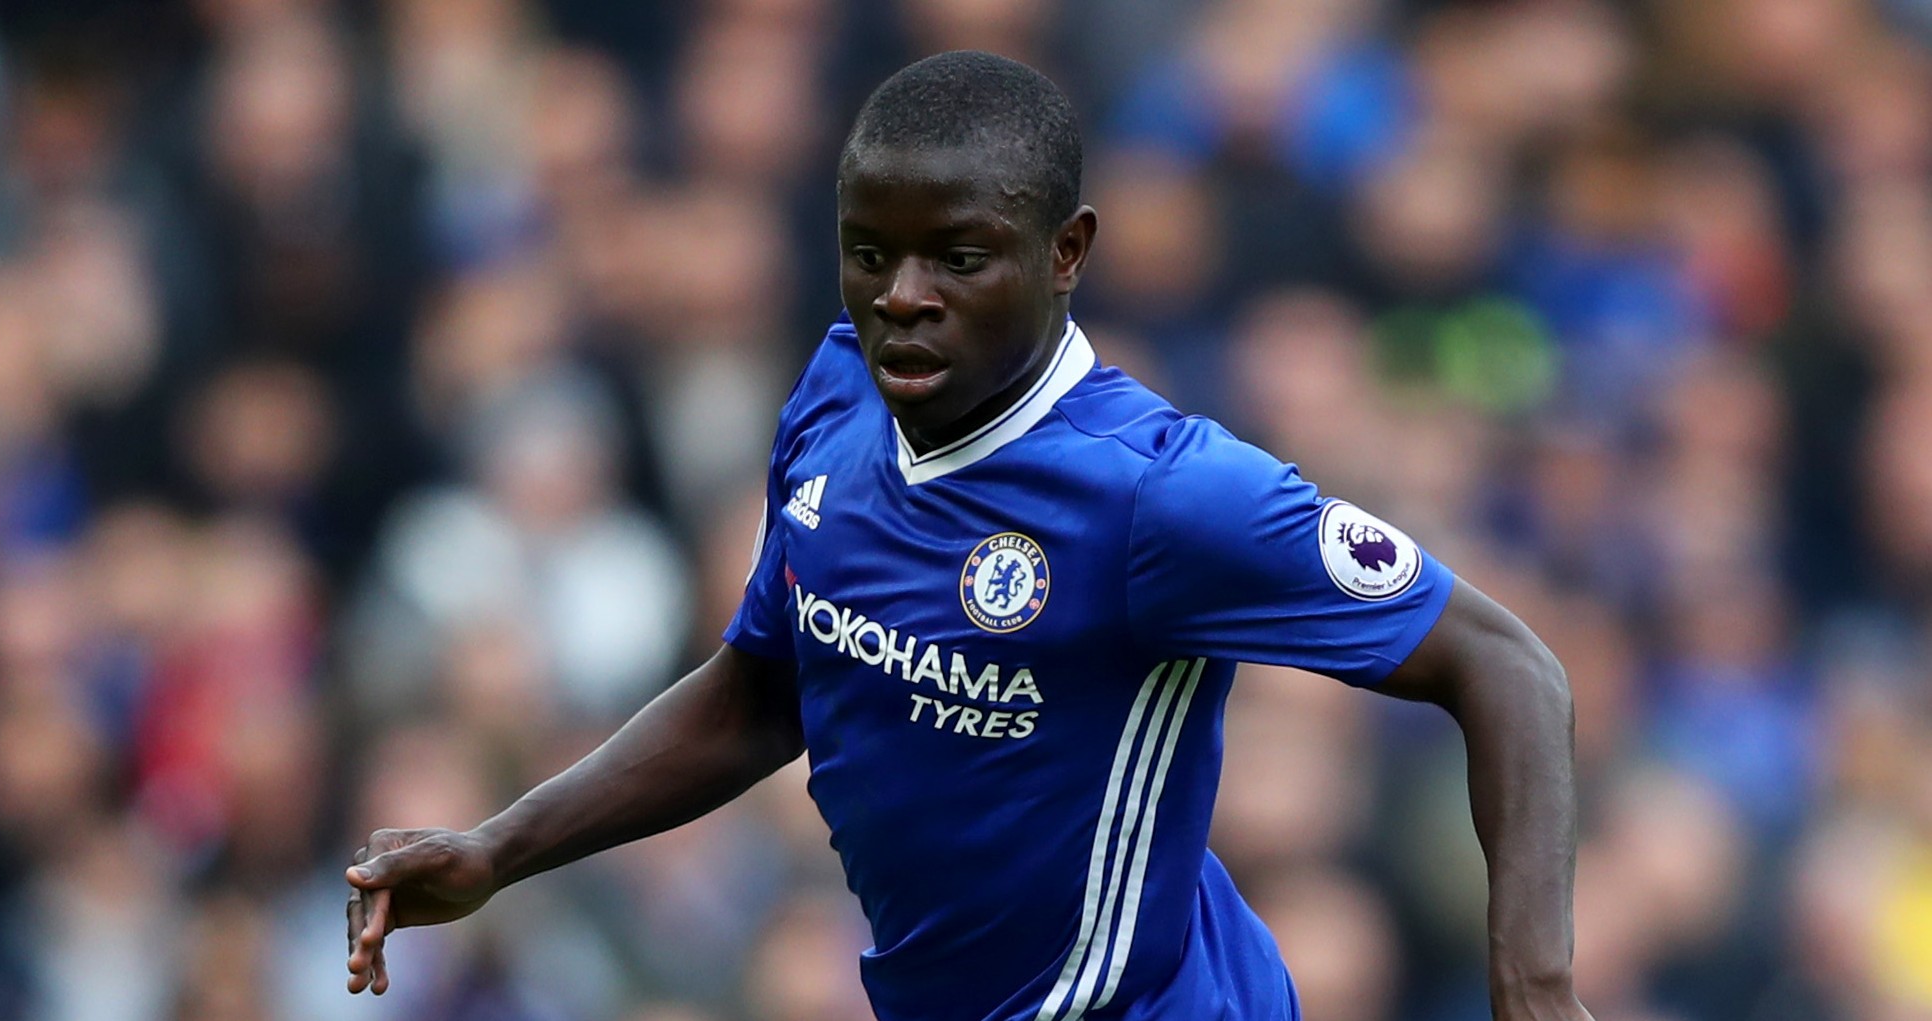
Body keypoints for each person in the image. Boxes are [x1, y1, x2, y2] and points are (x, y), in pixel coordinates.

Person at [345, 51, 1591, 1021]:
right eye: (869, 253)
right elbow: (766, 686)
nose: (902, 296)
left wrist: (1531, 985)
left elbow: (1506, 664)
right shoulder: (836, 399)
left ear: (1066, 252)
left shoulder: (1160, 493)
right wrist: (499, 846)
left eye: (958, 257)